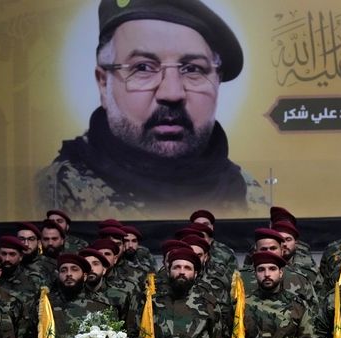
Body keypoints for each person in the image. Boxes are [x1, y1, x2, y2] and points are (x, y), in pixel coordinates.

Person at [36, 0, 265, 219]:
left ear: (217, 81)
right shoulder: (55, 193)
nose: (172, 93)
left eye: (192, 68)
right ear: (104, 83)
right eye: (143, 67)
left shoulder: (250, 195)